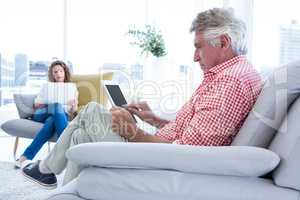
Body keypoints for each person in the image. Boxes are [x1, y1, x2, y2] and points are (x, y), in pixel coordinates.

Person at [22, 8, 262, 188]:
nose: (194, 57)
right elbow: (191, 134)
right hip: (158, 150)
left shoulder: (230, 81)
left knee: (92, 110)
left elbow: (190, 152)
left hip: (157, 160)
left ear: (223, 42)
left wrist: (133, 133)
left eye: (199, 47)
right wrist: (153, 119)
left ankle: (46, 168)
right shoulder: (225, 75)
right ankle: (68, 191)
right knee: (81, 135)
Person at [15, 60, 78, 168]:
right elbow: (36, 104)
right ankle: (66, 150)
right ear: (52, 74)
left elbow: (73, 112)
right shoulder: (47, 87)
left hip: (61, 115)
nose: (58, 74)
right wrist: (46, 102)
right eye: (55, 72)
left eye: (60, 71)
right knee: (57, 105)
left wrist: (73, 106)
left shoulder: (72, 88)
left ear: (64, 72)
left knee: (51, 122)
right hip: (43, 112)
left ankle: (25, 157)